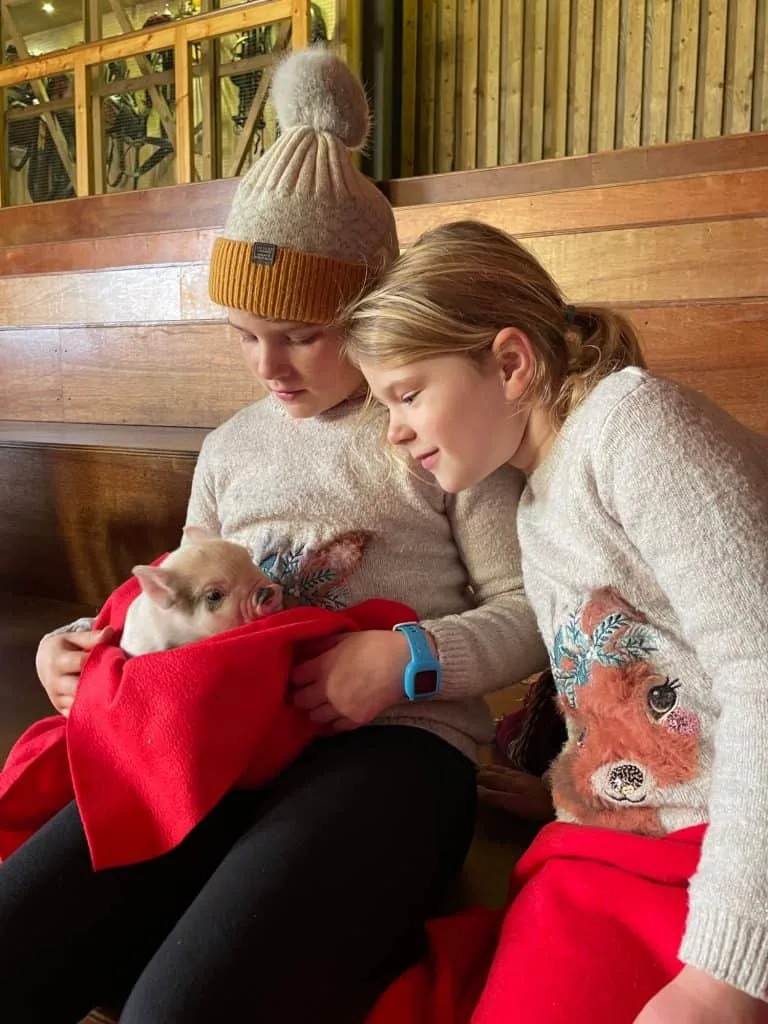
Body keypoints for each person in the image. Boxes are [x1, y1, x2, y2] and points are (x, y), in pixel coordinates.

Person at [0, 54, 544, 1024]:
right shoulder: (230, 445)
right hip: (212, 745)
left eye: (300, 333)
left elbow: (529, 613)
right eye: (245, 334)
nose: (269, 365)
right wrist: (82, 645)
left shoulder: (436, 426)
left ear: (371, 309)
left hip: (397, 755)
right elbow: (175, 600)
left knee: (184, 1004)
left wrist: (405, 657)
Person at [341, 219, 768, 1023]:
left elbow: (761, 667)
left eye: (406, 393)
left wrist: (724, 979)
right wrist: (584, 787)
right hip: (619, 847)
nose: (393, 430)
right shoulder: (533, 501)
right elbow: (622, 681)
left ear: (508, 363)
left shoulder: (636, 427)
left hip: (730, 858)